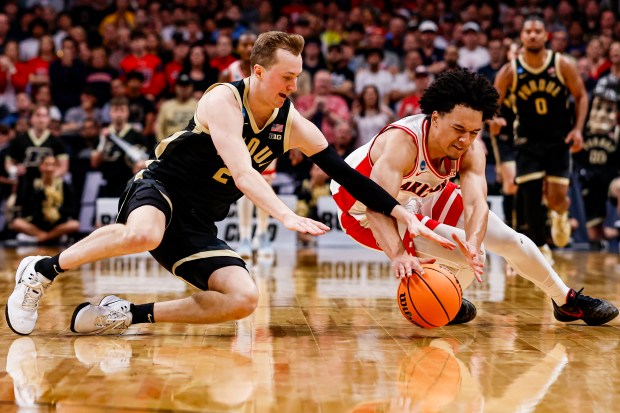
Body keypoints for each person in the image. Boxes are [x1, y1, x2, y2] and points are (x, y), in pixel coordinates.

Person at [5, 31, 453, 336]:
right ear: (258, 72)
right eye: (286, 77)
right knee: (145, 232)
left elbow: (349, 176)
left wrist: (398, 213)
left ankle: (127, 314)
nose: (294, 87)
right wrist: (285, 215)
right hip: (161, 188)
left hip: (199, 220)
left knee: (243, 299)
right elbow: (242, 172)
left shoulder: (293, 123)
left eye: (298, 78)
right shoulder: (223, 99)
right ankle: (42, 272)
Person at [331, 68, 618, 326]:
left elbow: (476, 203)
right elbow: (376, 209)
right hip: (362, 212)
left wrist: (473, 242)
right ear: (435, 118)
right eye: (458, 129)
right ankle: (443, 299)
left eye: (473, 132)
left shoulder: (470, 149)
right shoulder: (402, 144)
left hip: (421, 192)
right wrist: (398, 255)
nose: (465, 140)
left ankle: (564, 301)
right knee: (466, 255)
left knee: (506, 241)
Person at [491, 15, 588, 255]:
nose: (533, 35)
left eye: (537, 31)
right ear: (522, 36)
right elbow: (491, 102)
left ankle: (560, 214)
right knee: (530, 197)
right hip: (527, 141)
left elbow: (582, 96)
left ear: (546, 36)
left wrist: (577, 129)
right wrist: (492, 118)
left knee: (556, 199)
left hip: (558, 141)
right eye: (528, 31)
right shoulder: (510, 70)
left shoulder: (561, 64)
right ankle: (541, 249)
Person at [9, 154, 80, 244]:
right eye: (46, 164)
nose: (49, 168)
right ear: (41, 166)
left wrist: (57, 211)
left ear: (56, 167)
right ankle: (49, 237)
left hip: (57, 224)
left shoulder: (64, 185)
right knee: (16, 223)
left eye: (52, 165)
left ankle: (40, 239)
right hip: (37, 224)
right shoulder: (33, 185)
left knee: (75, 225)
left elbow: (72, 209)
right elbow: (26, 207)